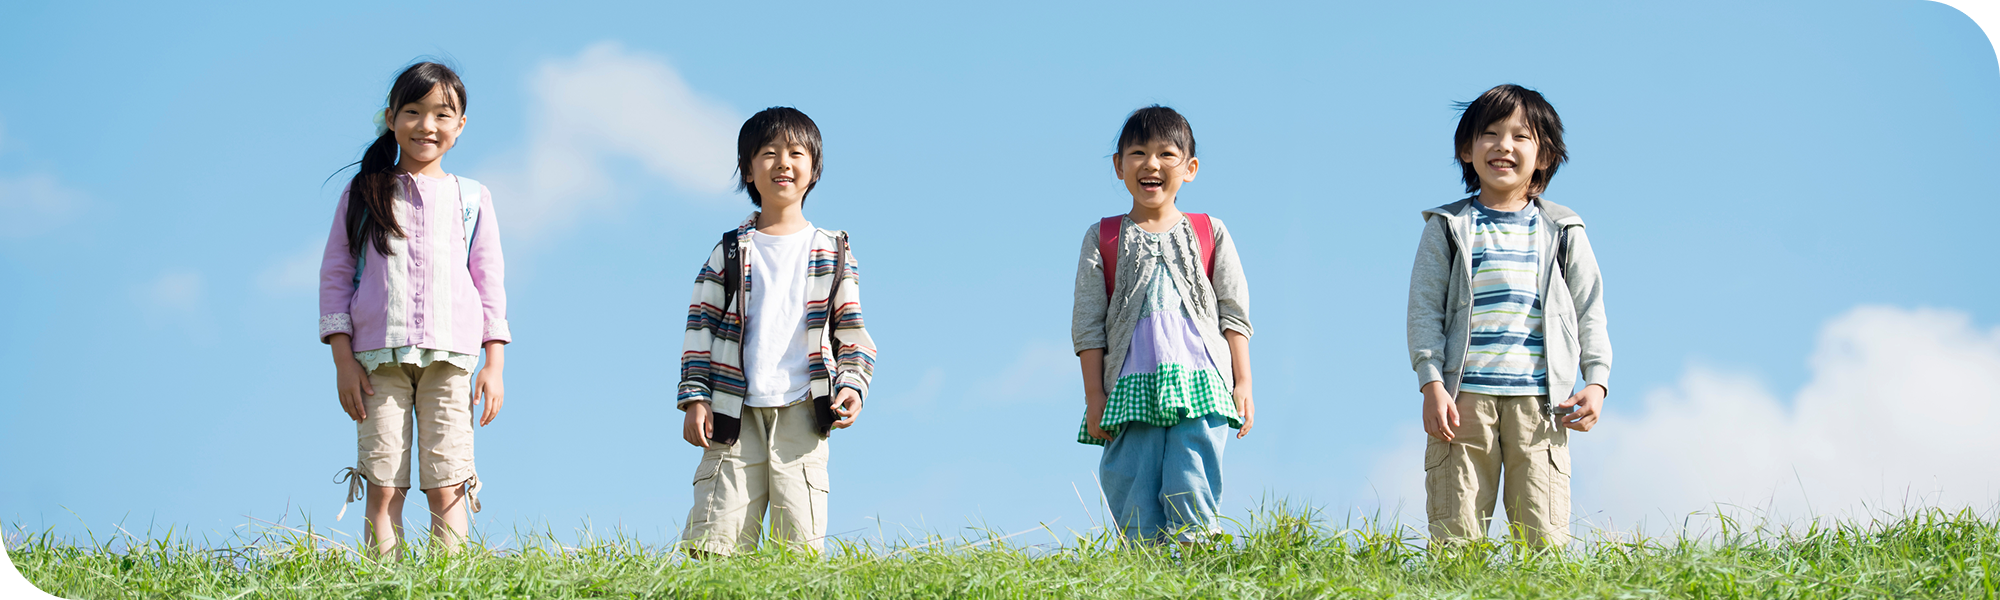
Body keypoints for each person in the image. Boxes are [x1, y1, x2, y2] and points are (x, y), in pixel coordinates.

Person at [1406, 84, 1611, 549]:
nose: (1504, 145)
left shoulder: (1563, 230)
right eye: (1490, 134)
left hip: (1543, 404)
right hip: (1462, 401)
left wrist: (1596, 381)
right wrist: (1432, 384)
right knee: (1455, 534)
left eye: (1521, 136)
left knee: (1544, 536)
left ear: (1544, 155)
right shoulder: (1447, 227)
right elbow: (1423, 311)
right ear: (1466, 148)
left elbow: (1589, 310)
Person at [318, 61, 510, 555]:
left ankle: (451, 580)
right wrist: (342, 361)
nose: (427, 124)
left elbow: (489, 281)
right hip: (376, 358)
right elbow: (336, 276)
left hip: (452, 358)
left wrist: (494, 363)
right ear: (391, 118)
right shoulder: (364, 193)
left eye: (442, 114)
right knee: (384, 485)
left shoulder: (472, 198)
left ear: (460, 125)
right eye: (413, 111)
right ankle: (384, 578)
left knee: (448, 482)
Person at [676, 107, 876, 557]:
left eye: (795, 153)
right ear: (748, 169)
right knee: (715, 539)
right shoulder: (727, 252)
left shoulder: (834, 250)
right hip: (732, 413)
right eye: (768, 153)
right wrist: (695, 396)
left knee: (799, 545)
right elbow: (699, 327)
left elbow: (852, 333)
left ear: (813, 168)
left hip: (804, 411)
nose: (782, 163)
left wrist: (852, 387)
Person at [1072, 105, 1255, 545]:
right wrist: (1095, 396)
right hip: (1132, 382)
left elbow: (1234, 313)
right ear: (1119, 166)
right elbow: (1088, 325)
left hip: (1204, 381)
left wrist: (1243, 380)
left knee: (1193, 471)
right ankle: (1143, 564)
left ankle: (1196, 558)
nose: (1151, 164)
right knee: (1131, 477)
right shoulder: (1104, 236)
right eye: (1137, 152)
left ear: (1189, 168)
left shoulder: (1210, 230)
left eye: (1166, 154)